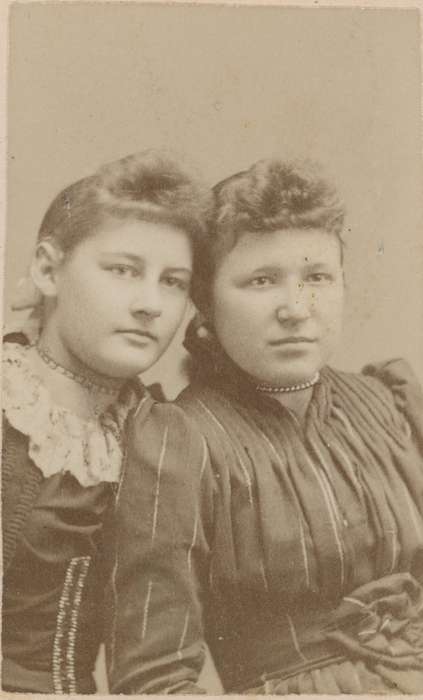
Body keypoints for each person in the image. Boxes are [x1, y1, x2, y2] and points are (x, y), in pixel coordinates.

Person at [107, 158, 423, 694]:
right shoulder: (179, 442)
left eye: (317, 277)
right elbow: (153, 680)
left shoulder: (392, 405)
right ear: (204, 302)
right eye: (261, 281)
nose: (296, 309)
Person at [2, 149, 211, 693]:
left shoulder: (158, 437)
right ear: (48, 270)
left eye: (173, 282)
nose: (151, 304)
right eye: (123, 270)